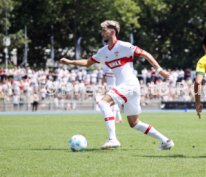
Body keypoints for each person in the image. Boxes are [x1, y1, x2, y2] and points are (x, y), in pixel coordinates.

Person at [60, 20, 174, 150]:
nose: (101, 33)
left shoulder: (124, 46)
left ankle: (113, 139)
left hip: (129, 84)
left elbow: (145, 54)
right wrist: (69, 61)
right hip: (129, 88)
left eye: (103, 30)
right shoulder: (103, 52)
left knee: (103, 103)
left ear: (112, 31)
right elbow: (87, 62)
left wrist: (160, 71)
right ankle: (166, 141)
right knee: (134, 123)